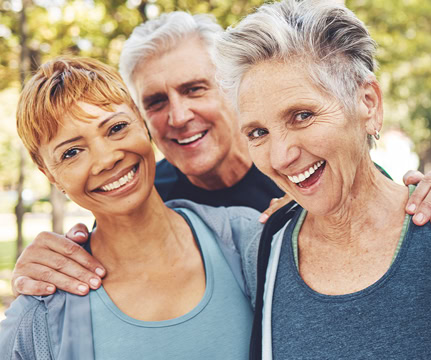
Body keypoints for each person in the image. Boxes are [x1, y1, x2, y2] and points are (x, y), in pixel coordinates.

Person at [10, 11, 431, 298]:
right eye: (155, 102)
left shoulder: (315, 167)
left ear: (230, 91)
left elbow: (394, 208)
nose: (178, 116)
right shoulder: (146, 196)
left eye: (195, 88)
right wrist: (45, 259)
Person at [212, 1, 431, 358]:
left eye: (302, 115)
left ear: (368, 103)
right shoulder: (266, 250)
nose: (281, 156)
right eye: (258, 132)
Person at [0, 57, 261, 359]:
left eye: (116, 128)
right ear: (50, 175)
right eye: (72, 152)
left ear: (142, 123)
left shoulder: (247, 240)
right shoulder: (41, 314)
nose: (106, 159)